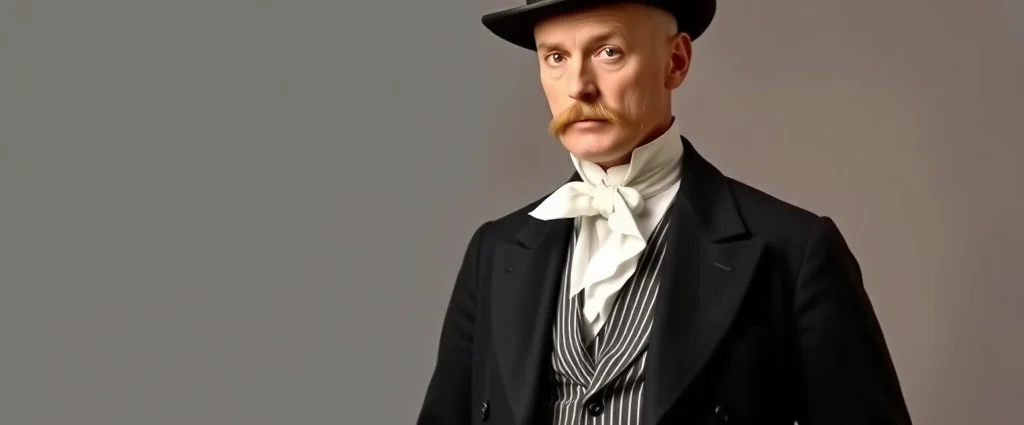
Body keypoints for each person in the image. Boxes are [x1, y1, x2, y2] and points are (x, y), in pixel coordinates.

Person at [416, 0, 913, 424]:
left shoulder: (795, 250)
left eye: (608, 52)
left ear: (675, 62)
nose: (579, 86)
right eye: (556, 57)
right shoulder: (495, 250)